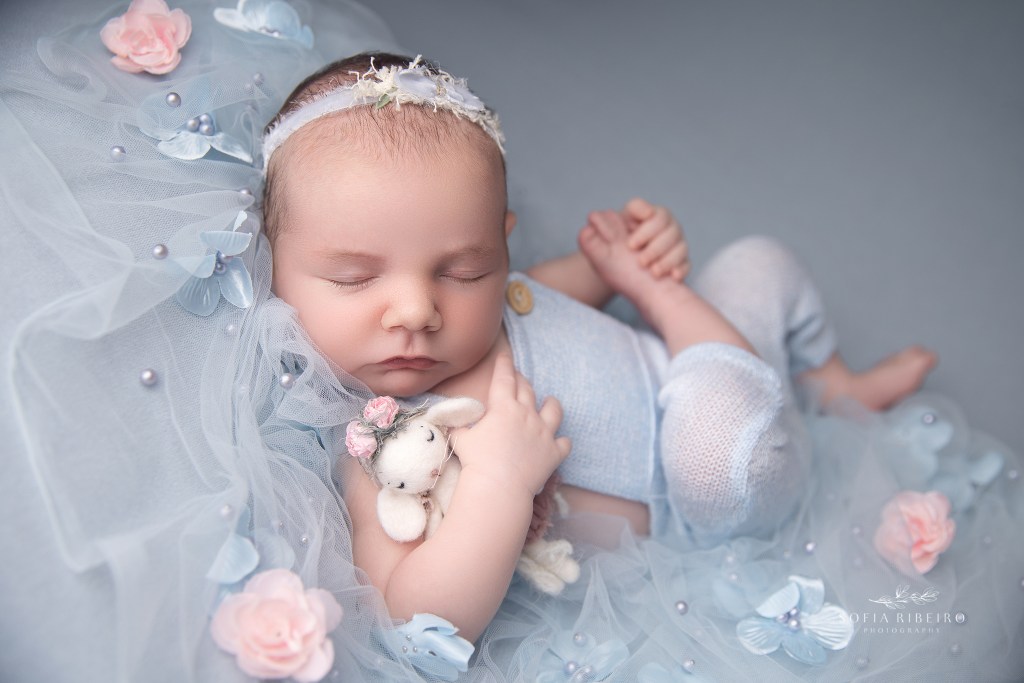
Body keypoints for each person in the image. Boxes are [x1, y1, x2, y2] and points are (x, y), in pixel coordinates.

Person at [263, 51, 936, 641]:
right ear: (275, 267)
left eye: (463, 270)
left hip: (703, 370)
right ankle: (694, 324)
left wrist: (634, 258)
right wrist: (498, 484)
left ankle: (831, 383)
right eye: (355, 277)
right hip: (708, 492)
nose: (417, 309)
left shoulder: (508, 298)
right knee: (718, 448)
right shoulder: (378, 448)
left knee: (758, 260)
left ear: (501, 246)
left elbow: (567, 291)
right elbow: (411, 614)